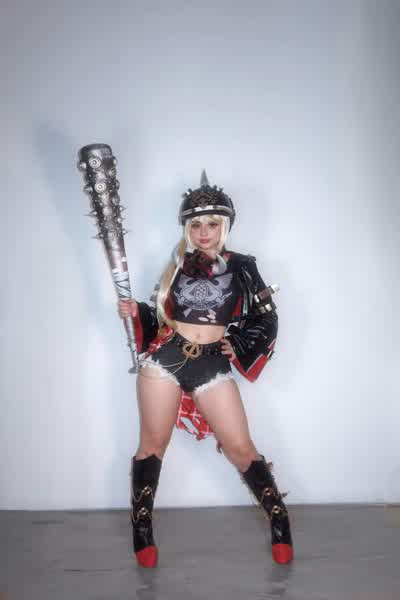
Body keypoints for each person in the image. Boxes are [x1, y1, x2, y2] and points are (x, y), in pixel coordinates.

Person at [118, 171, 293, 568]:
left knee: (240, 448)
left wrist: (240, 343)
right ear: (187, 228)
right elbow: (161, 317)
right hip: (165, 360)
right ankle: (141, 527)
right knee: (152, 446)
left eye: (211, 224)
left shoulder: (243, 267)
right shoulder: (176, 265)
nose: (203, 233)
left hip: (211, 363)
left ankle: (279, 518)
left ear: (224, 226)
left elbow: (266, 318)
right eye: (195, 225)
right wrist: (137, 311)